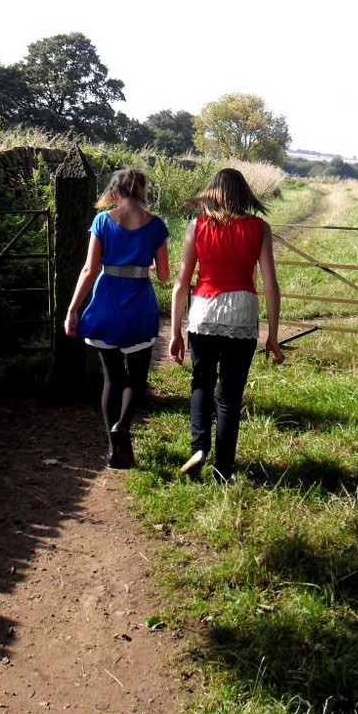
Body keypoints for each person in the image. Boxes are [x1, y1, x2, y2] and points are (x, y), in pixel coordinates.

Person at [169, 167, 284, 482]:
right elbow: (271, 286)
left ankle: (198, 447)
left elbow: (181, 283)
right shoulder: (259, 228)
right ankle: (223, 469)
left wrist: (175, 332)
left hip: (204, 310)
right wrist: (273, 336)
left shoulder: (197, 226)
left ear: (212, 193)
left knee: (201, 383)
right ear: (244, 194)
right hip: (242, 313)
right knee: (230, 396)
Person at [64, 167, 169, 469]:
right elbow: (163, 276)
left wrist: (73, 310)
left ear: (115, 191)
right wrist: (145, 267)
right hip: (139, 306)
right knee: (136, 378)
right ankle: (122, 426)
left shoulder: (102, 221)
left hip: (106, 303)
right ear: (142, 191)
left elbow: (89, 269)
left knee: (111, 378)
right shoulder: (157, 226)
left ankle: (114, 451)